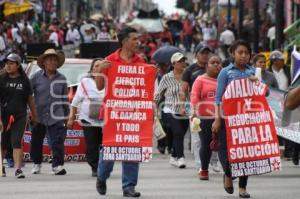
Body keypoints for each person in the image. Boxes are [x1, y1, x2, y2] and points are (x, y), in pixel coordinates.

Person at [95, 27, 145, 197]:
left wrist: (151, 75)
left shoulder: (141, 62)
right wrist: (100, 70)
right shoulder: (109, 60)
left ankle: (128, 187)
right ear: (124, 42)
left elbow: (144, 89)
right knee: (109, 149)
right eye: (133, 39)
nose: (137, 42)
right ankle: (101, 176)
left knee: (132, 148)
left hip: (133, 113)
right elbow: (99, 87)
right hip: (112, 113)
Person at [212, 40, 256, 198]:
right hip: (228, 119)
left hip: (248, 120)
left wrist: (257, 82)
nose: (244, 56)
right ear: (233, 54)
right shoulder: (225, 72)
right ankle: (228, 174)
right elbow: (218, 98)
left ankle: (243, 187)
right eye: (240, 52)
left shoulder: (253, 72)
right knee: (226, 150)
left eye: (246, 53)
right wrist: (217, 119)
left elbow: (265, 94)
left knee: (246, 153)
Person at [180, 44, 220, 173]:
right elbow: (184, 89)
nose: (204, 55)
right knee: (198, 140)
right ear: (196, 54)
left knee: (215, 138)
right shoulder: (190, 70)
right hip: (198, 111)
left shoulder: (218, 70)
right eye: (202, 53)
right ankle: (200, 165)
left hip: (216, 112)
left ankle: (214, 162)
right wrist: (184, 106)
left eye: (207, 53)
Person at [30, 49, 69, 175]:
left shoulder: (62, 78)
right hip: (38, 115)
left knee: (57, 141)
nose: (53, 62)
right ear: (44, 62)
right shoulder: (36, 77)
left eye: (55, 60)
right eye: (50, 60)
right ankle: (37, 164)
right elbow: (28, 94)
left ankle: (57, 165)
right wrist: (29, 111)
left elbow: (64, 98)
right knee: (36, 140)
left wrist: (67, 115)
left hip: (56, 114)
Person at [0, 53, 37, 178]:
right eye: (7, 63)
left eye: (11, 63)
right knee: (3, 142)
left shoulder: (25, 80)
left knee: (16, 142)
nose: (8, 66)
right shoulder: (1, 78)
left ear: (18, 65)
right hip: (3, 115)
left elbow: (30, 99)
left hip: (20, 115)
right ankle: (1, 167)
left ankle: (17, 169)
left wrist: (34, 114)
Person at [67, 58, 105, 177]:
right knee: (92, 143)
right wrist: (71, 118)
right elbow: (75, 101)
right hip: (88, 119)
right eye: (96, 66)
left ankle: (101, 165)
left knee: (102, 144)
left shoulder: (110, 81)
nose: (98, 68)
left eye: (101, 66)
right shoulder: (85, 82)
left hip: (105, 119)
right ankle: (95, 167)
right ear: (92, 69)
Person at [155, 52, 189, 169]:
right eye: (180, 61)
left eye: (183, 60)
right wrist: (154, 107)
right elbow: (158, 94)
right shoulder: (166, 77)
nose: (182, 63)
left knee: (180, 135)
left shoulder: (188, 75)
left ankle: (173, 156)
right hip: (170, 109)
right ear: (173, 63)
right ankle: (180, 157)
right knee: (178, 132)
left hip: (185, 110)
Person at [190, 55, 222, 180]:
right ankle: (204, 169)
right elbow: (194, 98)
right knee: (206, 144)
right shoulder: (200, 80)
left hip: (222, 117)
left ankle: (229, 172)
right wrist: (194, 112)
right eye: (212, 62)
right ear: (206, 65)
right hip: (205, 118)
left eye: (218, 62)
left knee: (224, 145)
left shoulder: (224, 79)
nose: (216, 65)